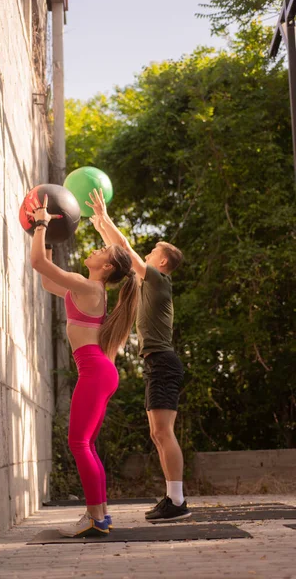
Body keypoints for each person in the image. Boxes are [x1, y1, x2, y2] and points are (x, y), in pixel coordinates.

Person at [27, 194, 138, 537]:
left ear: (106, 268)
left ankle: (94, 516)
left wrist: (41, 225)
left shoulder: (89, 286)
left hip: (95, 372)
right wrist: (47, 241)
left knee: (79, 444)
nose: (94, 250)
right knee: (86, 444)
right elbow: (47, 279)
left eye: (101, 251)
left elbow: (38, 268)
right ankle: (100, 515)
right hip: (100, 372)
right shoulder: (86, 288)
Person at [86, 188, 191, 522]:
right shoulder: (150, 283)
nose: (146, 253)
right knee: (157, 434)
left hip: (162, 363)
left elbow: (127, 252)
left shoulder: (159, 281)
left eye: (152, 251)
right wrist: (102, 225)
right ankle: (173, 499)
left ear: (162, 262)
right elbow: (122, 254)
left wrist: (108, 219)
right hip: (157, 364)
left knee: (163, 433)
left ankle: (177, 501)